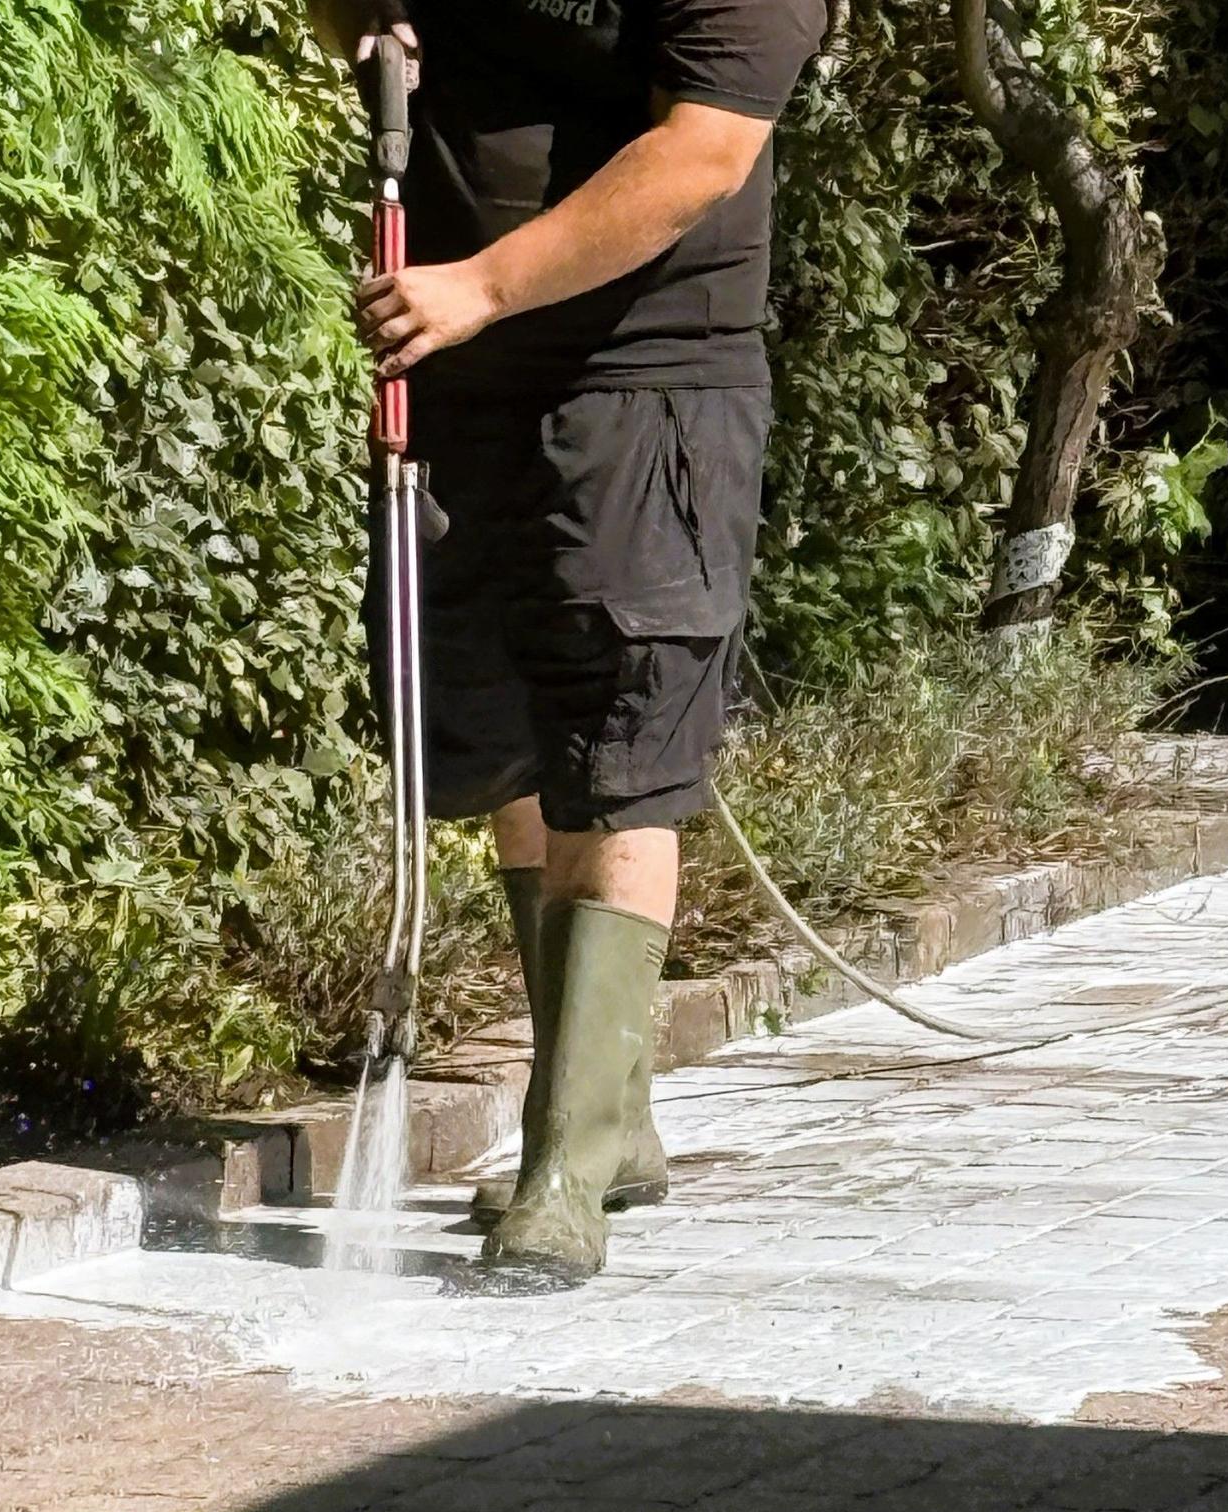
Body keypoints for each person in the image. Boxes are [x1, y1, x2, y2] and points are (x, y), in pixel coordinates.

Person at [310, 0, 826, 1274]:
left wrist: (480, 284)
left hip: (644, 382)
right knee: (512, 745)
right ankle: (611, 1120)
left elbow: (704, 150)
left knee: (617, 743)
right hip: (462, 367)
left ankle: (567, 1168)